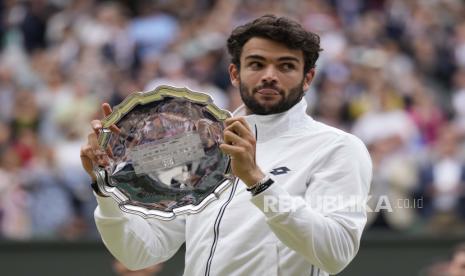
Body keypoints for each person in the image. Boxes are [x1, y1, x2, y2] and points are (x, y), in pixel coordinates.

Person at [80, 15, 372, 276]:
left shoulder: (337, 147)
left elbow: (336, 254)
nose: (269, 75)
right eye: (257, 64)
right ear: (235, 74)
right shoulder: (195, 148)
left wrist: (258, 182)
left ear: (307, 78)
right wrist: (105, 185)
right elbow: (139, 254)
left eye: (286, 66)